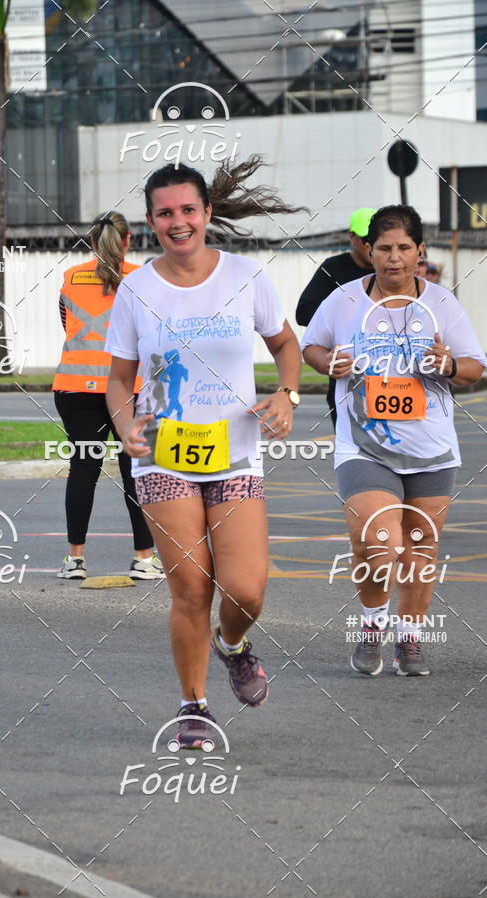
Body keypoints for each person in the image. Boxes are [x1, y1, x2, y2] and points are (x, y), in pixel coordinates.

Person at [105, 156, 303, 748]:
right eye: (165, 213)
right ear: (150, 222)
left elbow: (285, 344)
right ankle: (194, 705)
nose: (178, 221)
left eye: (188, 209)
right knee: (191, 587)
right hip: (163, 452)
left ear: (207, 213)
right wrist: (123, 425)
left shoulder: (246, 276)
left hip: (237, 451)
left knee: (245, 590)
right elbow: (119, 378)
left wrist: (287, 394)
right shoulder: (137, 288)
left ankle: (233, 645)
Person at [301, 205, 486, 676]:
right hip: (363, 444)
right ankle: (371, 624)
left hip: (431, 448)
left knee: (421, 547)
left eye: (404, 247)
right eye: (384, 248)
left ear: (420, 251)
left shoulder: (442, 304)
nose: (394, 258)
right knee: (378, 543)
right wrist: (329, 363)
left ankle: (411, 640)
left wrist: (447, 365)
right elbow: (311, 346)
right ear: (369, 250)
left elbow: (475, 367)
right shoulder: (344, 300)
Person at [52, 211, 164, 581]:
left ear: (91, 240)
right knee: (135, 471)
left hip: (74, 387)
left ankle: (74, 561)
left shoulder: (70, 277)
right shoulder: (143, 280)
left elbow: (68, 326)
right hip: (127, 389)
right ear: (128, 239)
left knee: (83, 469)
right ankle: (144, 560)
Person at [296, 207, 376, 428]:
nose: (371, 245)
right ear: (351, 236)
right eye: (365, 239)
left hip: (390, 374)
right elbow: (303, 310)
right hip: (347, 374)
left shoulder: (391, 271)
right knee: (352, 448)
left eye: (376, 239)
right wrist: (342, 322)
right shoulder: (333, 269)